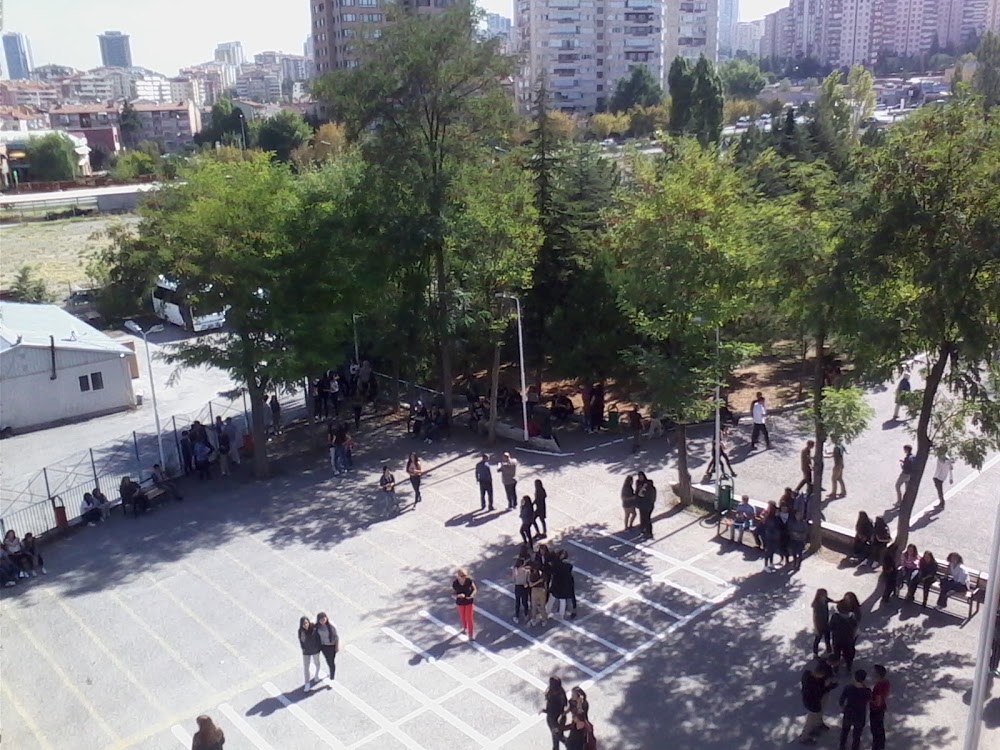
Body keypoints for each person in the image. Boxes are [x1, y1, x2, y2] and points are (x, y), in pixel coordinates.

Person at [799, 659, 837, 744]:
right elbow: (819, 693)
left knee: (819, 714)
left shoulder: (807, 674)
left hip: (813, 701)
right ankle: (804, 737)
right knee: (810, 720)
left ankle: (818, 724)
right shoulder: (813, 684)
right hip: (812, 703)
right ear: (820, 674)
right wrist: (829, 687)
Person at [838, 669, 871, 750]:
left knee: (845, 731)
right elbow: (869, 700)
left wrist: (842, 707)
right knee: (857, 735)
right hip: (860, 715)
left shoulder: (848, 687)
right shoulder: (867, 691)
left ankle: (842, 746)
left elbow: (841, 700)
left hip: (848, 713)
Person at [830, 600, 859, 675]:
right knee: (848, 654)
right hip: (848, 640)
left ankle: (836, 669)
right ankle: (848, 668)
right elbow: (855, 628)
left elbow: (831, 627)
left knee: (836, 653)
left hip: (837, 639)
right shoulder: (852, 618)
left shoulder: (835, 617)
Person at [541, 676, 568, 750]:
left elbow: (558, 708)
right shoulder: (554, 691)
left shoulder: (559, 695)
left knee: (557, 736)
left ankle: (571, 745)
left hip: (556, 719)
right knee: (556, 736)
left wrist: (545, 711)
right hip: (551, 718)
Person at [452, 568, 477, 641]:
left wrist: (472, 595)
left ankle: (471, 635)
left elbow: (474, 589)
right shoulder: (455, 583)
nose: (464, 577)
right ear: (459, 576)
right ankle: (464, 627)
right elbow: (453, 593)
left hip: (469, 601)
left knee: (469, 618)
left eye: (465, 575)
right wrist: (458, 595)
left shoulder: (469, 580)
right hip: (460, 602)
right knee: (463, 616)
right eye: (462, 576)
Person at [869, 664, 890, 750]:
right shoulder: (886, 682)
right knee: (880, 729)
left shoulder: (878, 687)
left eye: (874, 673)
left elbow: (877, 702)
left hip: (876, 710)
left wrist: (868, 698)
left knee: (875, 731)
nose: (872, 675)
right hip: (882, 708)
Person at [298, 616, 322, 691]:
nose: (305, 625)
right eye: (303, 624)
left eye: (306, 623)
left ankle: (316, 675)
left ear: (308, 622)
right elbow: (301, 641)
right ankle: (307, 683)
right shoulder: (301, 631)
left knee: (317, 663)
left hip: (315, 650)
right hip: (306, 652)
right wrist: (303, 648)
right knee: (306, 667)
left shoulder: (314, 628)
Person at [315, 612, 339, 682]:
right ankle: (331, 673)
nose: (323, 621)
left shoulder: (331, 627)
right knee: (328, 660)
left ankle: (332, 674)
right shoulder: (317, 627)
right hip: (323, 647)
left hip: (331, 646)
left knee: (331, 661)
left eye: (324, 619)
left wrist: (337, 647)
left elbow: (336, 637)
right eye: (321, 619)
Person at [811, 588, 835, 656]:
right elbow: (815, 618)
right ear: (820, 596)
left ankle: (829, 650)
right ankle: (815, 653)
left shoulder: (825, 600)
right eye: (824, 595)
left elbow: (831, 600)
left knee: (827, 637)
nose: (826, 596)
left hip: (826, 622)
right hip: (819, 625)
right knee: (818, 638)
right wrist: (816, 628)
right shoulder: (817, 605)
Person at [527, 561, 549, 626]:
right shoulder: (543, 574)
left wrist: (537, 582)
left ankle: (533, 620)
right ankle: (544, 620)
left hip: (534, 591)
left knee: (534, 606)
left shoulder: (531, 574)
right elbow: (545, 584)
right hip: (542, 590)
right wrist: (546, 591)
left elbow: (530, 585)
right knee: (542, 606)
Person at [513, 556, 530, 623]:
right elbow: (528, 580)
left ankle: (517, 616)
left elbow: (513, 579)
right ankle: (526, 614)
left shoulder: (515, 570)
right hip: (524, 586)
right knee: (524, 601)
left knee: (517, 602)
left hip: (517, 586)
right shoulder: (526, 571)